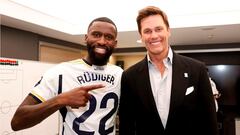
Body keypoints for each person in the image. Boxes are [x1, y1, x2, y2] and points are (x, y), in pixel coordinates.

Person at [11, 17, 123, 135]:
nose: (102, 41)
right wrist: (60, 100)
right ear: (86, 38)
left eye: (109, 37)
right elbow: (17, 122)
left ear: (115, 43)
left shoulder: (120, 74)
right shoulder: (61, 72)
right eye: (96, 34)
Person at [119, 6, 218, 135]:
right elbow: (127, 125)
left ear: (168, 31)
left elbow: (209, 122)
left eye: (159, 29)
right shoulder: (129, 76)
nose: (154, 35)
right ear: (141, 36)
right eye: (147, 31)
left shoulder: (197, 70)